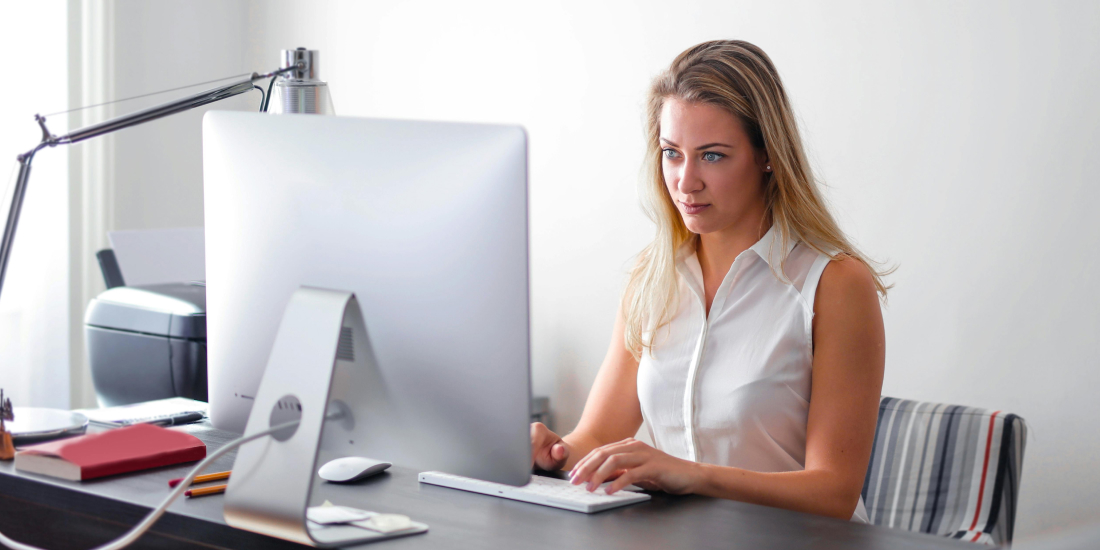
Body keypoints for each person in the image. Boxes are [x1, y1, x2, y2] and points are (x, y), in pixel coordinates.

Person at [530, 40, 889, 522]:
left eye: (713, 156)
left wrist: (693, 475)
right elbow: (595, 437)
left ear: (767, 155)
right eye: (671, 153)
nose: (685, 181)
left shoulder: (836, 284)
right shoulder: (651, 278)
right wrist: (550, 453)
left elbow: (834, 493)